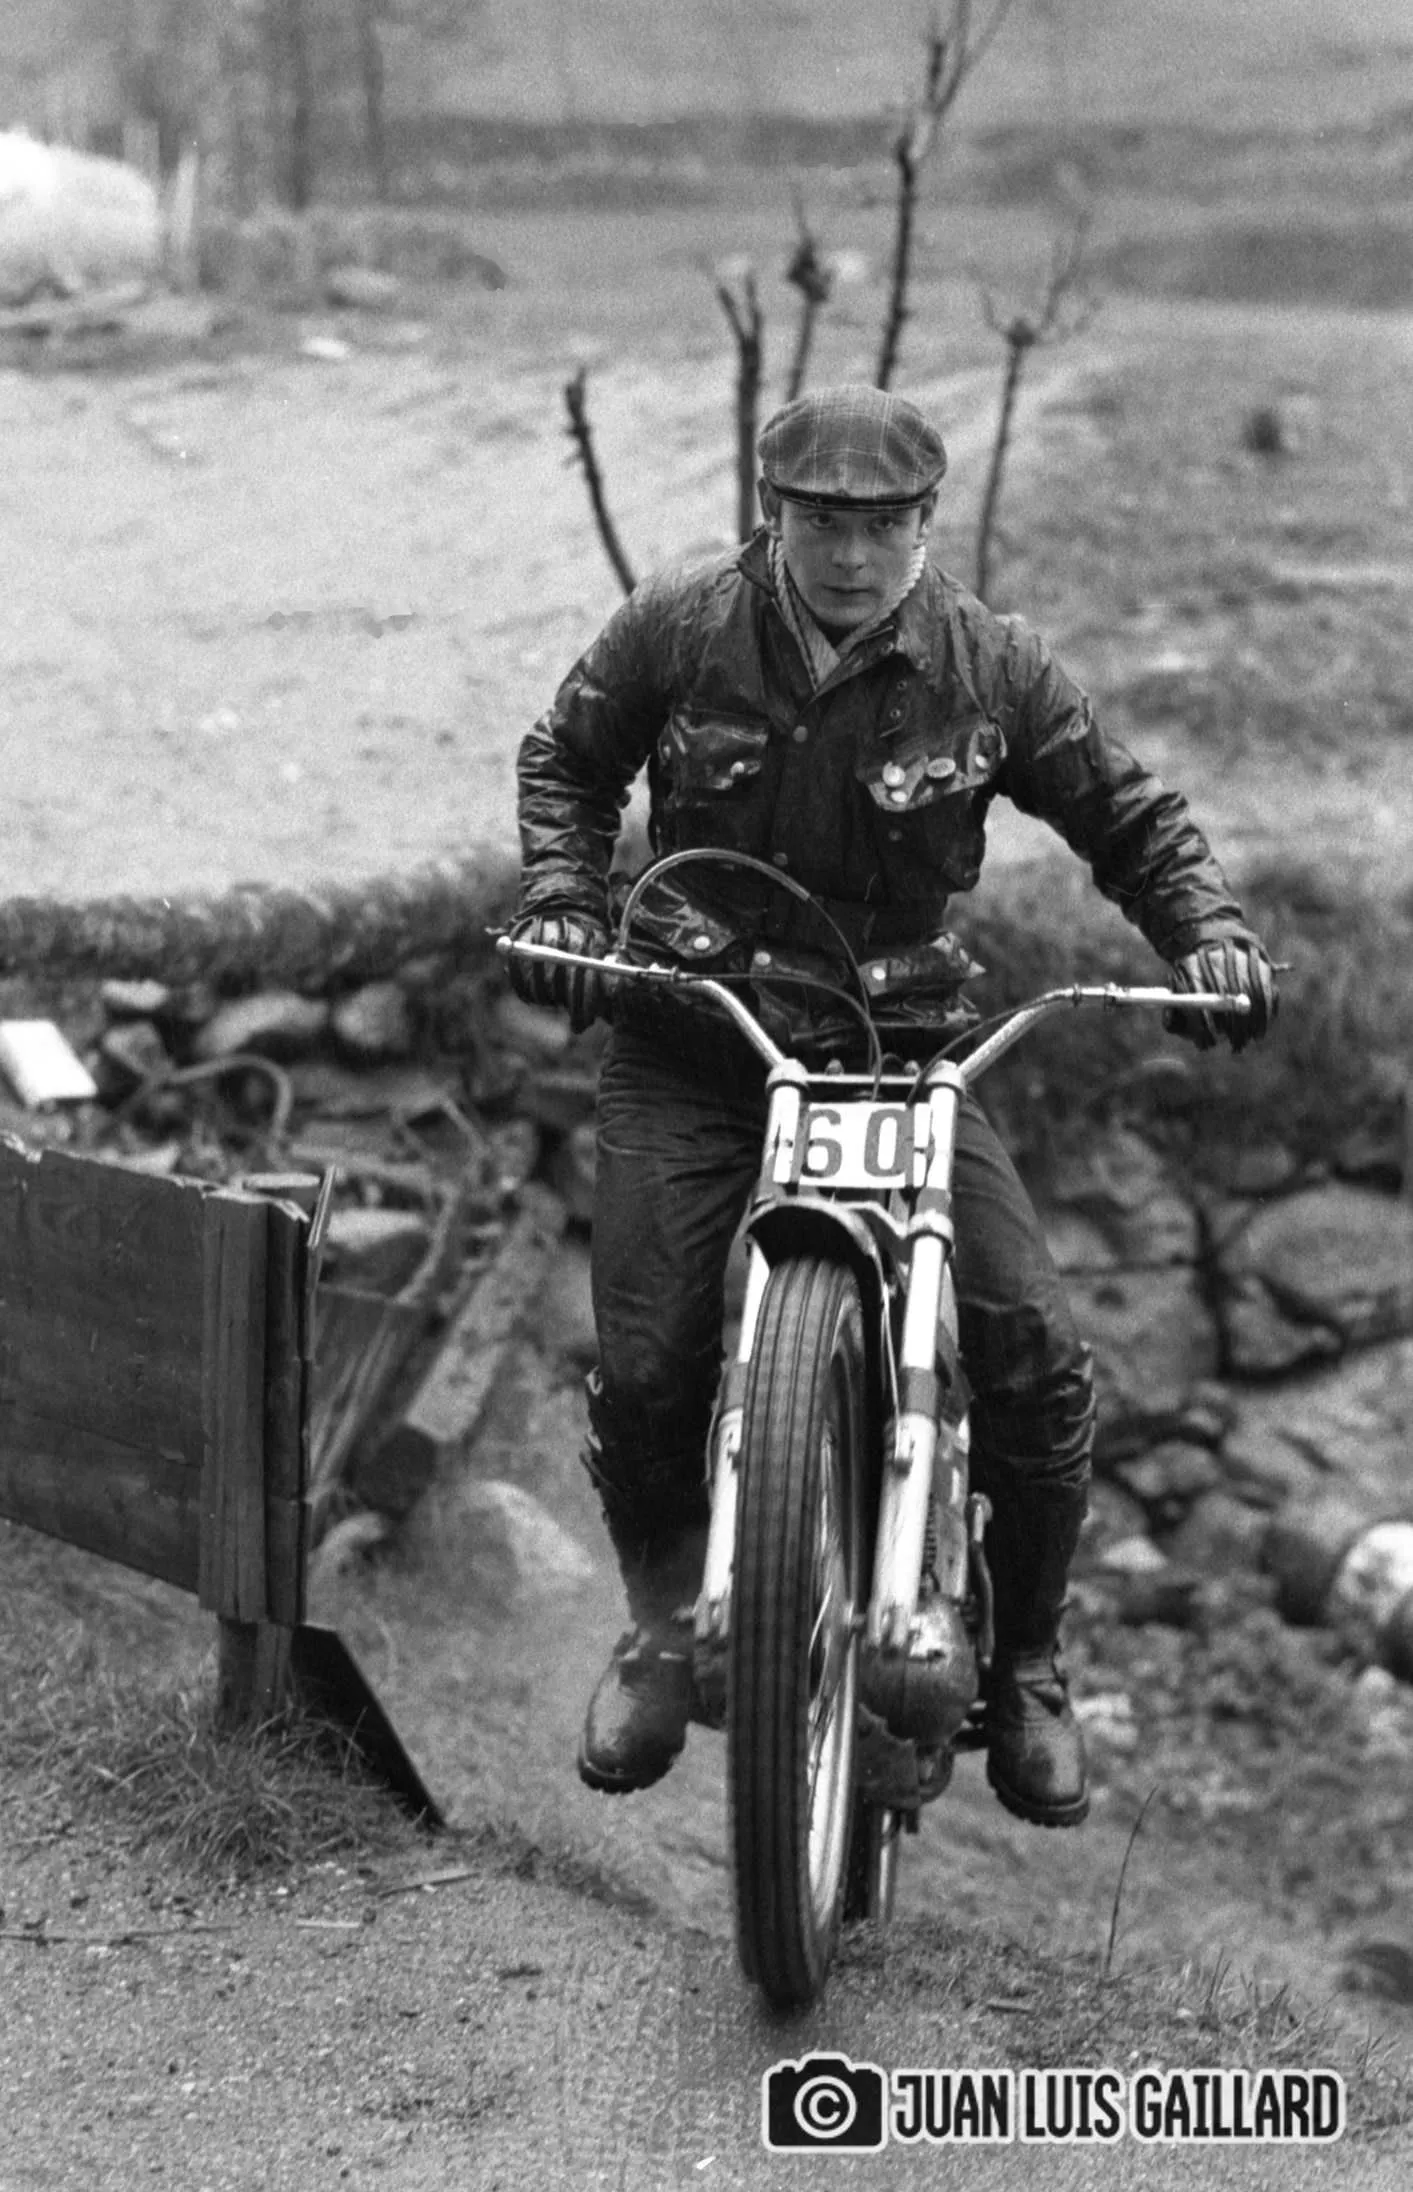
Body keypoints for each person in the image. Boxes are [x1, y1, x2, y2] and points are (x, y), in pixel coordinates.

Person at [508, 384, 1276, 1828]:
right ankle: (663, 1630)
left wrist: (1210, 938)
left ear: (926, 521)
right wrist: (565, 897)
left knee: (1031, 1348)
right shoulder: (682, 625)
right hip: (698, 1035)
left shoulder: (992, 663)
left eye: (882, 525)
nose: (851, 555)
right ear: (774, 515)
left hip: (902, 1047)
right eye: (821, 522)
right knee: (652, 1357)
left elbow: (1131, 818)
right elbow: (568, 757)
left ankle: (1028, 1664)